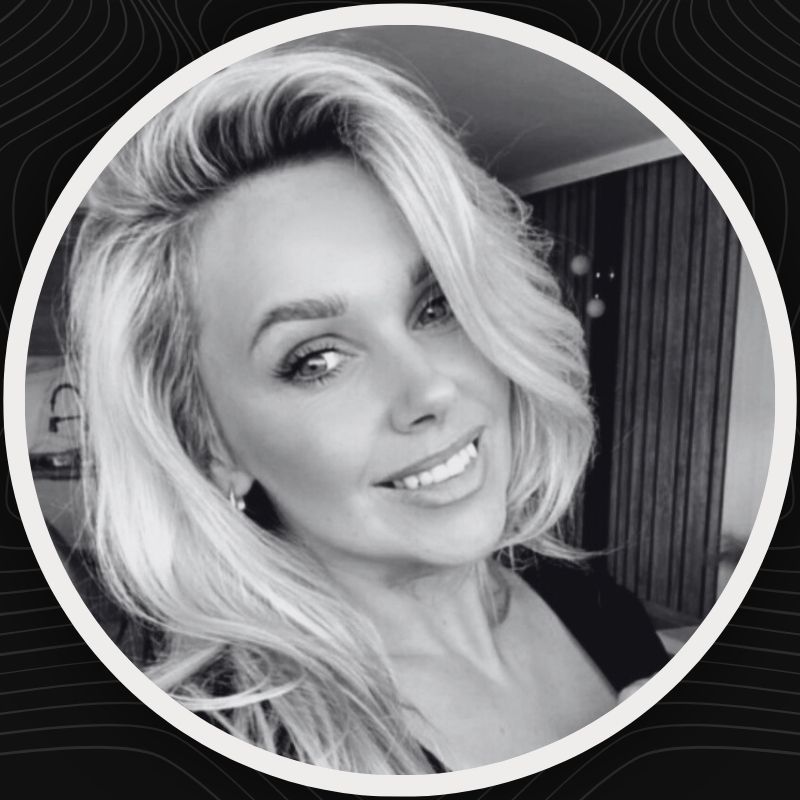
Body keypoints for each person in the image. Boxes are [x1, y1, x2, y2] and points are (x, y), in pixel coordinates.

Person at [65, 45, 668, 774]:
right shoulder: (231, 740)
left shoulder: (598, 609)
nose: (430, 390)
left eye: (436, 305)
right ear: (208, 443)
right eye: (316, 359)